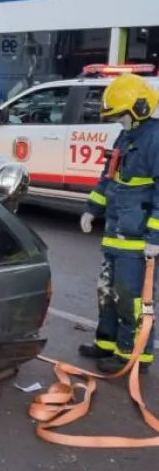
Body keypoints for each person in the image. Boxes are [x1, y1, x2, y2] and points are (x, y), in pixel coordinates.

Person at [79, 72, 159, 374]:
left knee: (130, 298)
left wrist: (155, 237)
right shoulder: (125, 138)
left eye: (122, 116)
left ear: (139, 109)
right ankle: (107, 343)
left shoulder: (155, 140)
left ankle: (132, 354)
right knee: (106, 291)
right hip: (116, 234)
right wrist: (91, 210)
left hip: (138, 240)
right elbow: (107, 178)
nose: (119, 122)